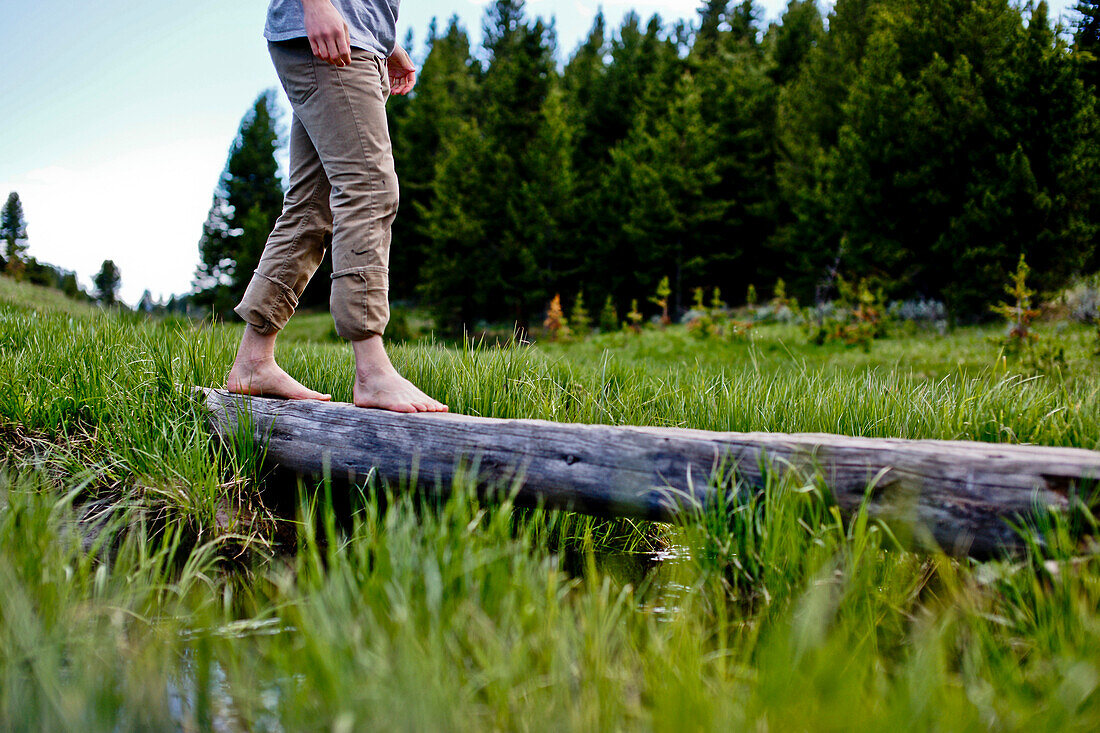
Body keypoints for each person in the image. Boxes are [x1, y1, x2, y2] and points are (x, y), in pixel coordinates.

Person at [225, 0, 448, 414]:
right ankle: (372, 370)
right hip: (331, 36)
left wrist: (387, 40)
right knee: (369, 188)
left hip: (358, 39)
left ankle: (253, 361)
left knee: (311, 204)